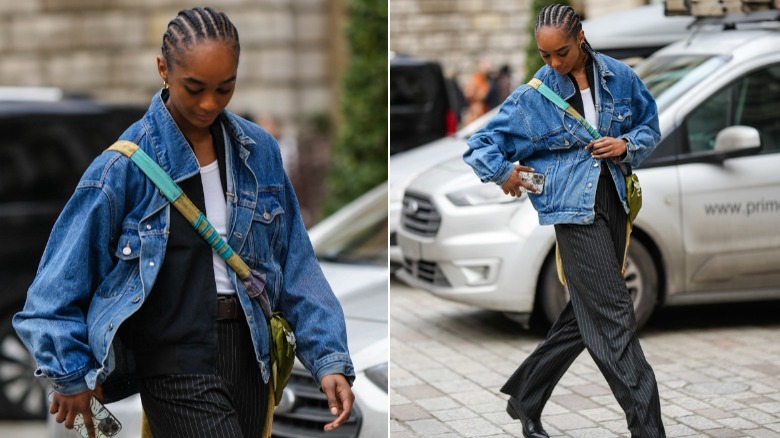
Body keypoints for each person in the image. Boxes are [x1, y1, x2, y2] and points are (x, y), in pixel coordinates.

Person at [13, 7, 354, 438]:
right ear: (163, 70)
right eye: (194, 89)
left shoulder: (259, 152)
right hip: (173, 359)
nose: (209, 103)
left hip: (251, 353)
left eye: (224, 88)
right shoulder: (123, 168)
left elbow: (297, 263)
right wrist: (69, 373)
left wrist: (328, 358)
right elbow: (51, 292)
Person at [463, 4, 665, 438]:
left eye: (562, 53)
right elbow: (480, 143)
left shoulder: (620, 77)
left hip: (614, 202)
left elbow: (650, 127)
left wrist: (626, 144)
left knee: (584, 315)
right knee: (614, 319)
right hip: (574, 214)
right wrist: (504, 173)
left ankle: (526, 397)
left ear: (581, 38)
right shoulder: (534, 96)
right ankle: (649, 430)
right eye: (544, 55)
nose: (554, 62)